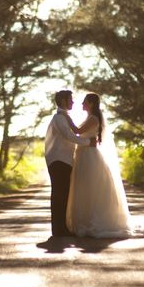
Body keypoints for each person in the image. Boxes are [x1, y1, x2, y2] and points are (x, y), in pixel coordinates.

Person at [63, 93, 133, 238]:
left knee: (90, 187)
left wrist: (65, 116)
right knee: (84, 188)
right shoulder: (89, 118)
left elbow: (77, 131)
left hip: (89, 156)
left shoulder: (94, 118)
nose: (82, 104)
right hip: (84, 154)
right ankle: (85, 219)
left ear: (91, 104)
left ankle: (92, 221)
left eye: (84, 102)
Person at [44, 90, 96, 237]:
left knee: (62, 193)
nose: (73, 102)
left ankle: (60, 228)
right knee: (59, 194)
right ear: (62, 101)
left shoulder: (63, 117)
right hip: (59, 160)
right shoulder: (60, 118)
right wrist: (88, 142)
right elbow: (69, 136)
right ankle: (59, 229)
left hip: (63, 159)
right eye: (70, 99)